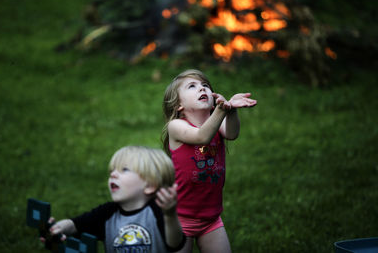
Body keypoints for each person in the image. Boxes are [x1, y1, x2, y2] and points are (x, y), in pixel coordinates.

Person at [162, 69, 257, 253]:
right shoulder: (176, 126)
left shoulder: (218, 123)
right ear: (179, 105)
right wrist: (221, 110)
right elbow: (201, 136)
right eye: (192, 86)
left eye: (205, 85)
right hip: (181, 218)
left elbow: (232, 133)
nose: (202, 89)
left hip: (211, 218)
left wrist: (231, 112)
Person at [42, 145, 186, 253]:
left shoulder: (158, 211)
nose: (113, 175)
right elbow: (77, 225)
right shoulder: (107, 213)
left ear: (149, 185)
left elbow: (175, 243)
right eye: (112, 171)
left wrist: (170, 215)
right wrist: (59, 228)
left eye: (124, 170)